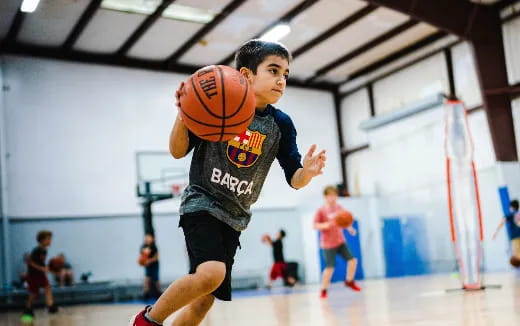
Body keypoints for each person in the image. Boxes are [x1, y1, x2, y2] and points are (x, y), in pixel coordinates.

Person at [131, 39, 326, 325]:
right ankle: (145, 321)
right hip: (202, 202)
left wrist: (306, 172)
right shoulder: (218, 103)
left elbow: (294, 180)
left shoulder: (281, 124)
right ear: (246, 74)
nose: (281, 80)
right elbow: (177, 151)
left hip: (235, 217)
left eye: (285, 74)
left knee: (202, 303)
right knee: (211, 273)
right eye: (273, 70)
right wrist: (184, 113)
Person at [314, 185, 361, 299]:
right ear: (325, 197)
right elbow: (315, 225)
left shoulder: (339, 208)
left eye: (335, 195)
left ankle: (349, 281)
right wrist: (326, 225)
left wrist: (350, 229)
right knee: (330, 268)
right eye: (331, 195)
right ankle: (323, 289)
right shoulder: (321, 210)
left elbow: (345, 222)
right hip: (327, 244)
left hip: (340, 241)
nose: (333, 198)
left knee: (353, 260)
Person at [23, 230, 58, 318]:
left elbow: (41, 263)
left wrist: (49, 269)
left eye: (50, 239)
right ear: (42, 240)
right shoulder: (36, 250)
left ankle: (50, 306)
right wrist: (43, 268)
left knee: (47, 287)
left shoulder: (44, 250)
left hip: (40, 274)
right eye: (48, 239)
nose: (50, 241)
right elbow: (31, 263)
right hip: (33, 275)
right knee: (33, 294)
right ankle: (28, 309)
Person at [492, 199, 520, 265]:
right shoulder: (518, 213)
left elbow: (503, 221)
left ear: (511, 207)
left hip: (515, 236)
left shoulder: (510, 214)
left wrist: (496, 231)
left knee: (517, 255)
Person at [140, 233, 161, 299]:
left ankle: (159, 293)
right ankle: (146, 294)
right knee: (147, 279)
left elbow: (156, 257)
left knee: (156, 280)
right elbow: (142, 257)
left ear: (152, 238)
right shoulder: (144, 246)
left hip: (155, 265)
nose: (147, 239)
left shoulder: (154, 247)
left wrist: (149, 261)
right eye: (146, 238)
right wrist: (143, 262)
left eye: (149, 237)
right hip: (148, 266)